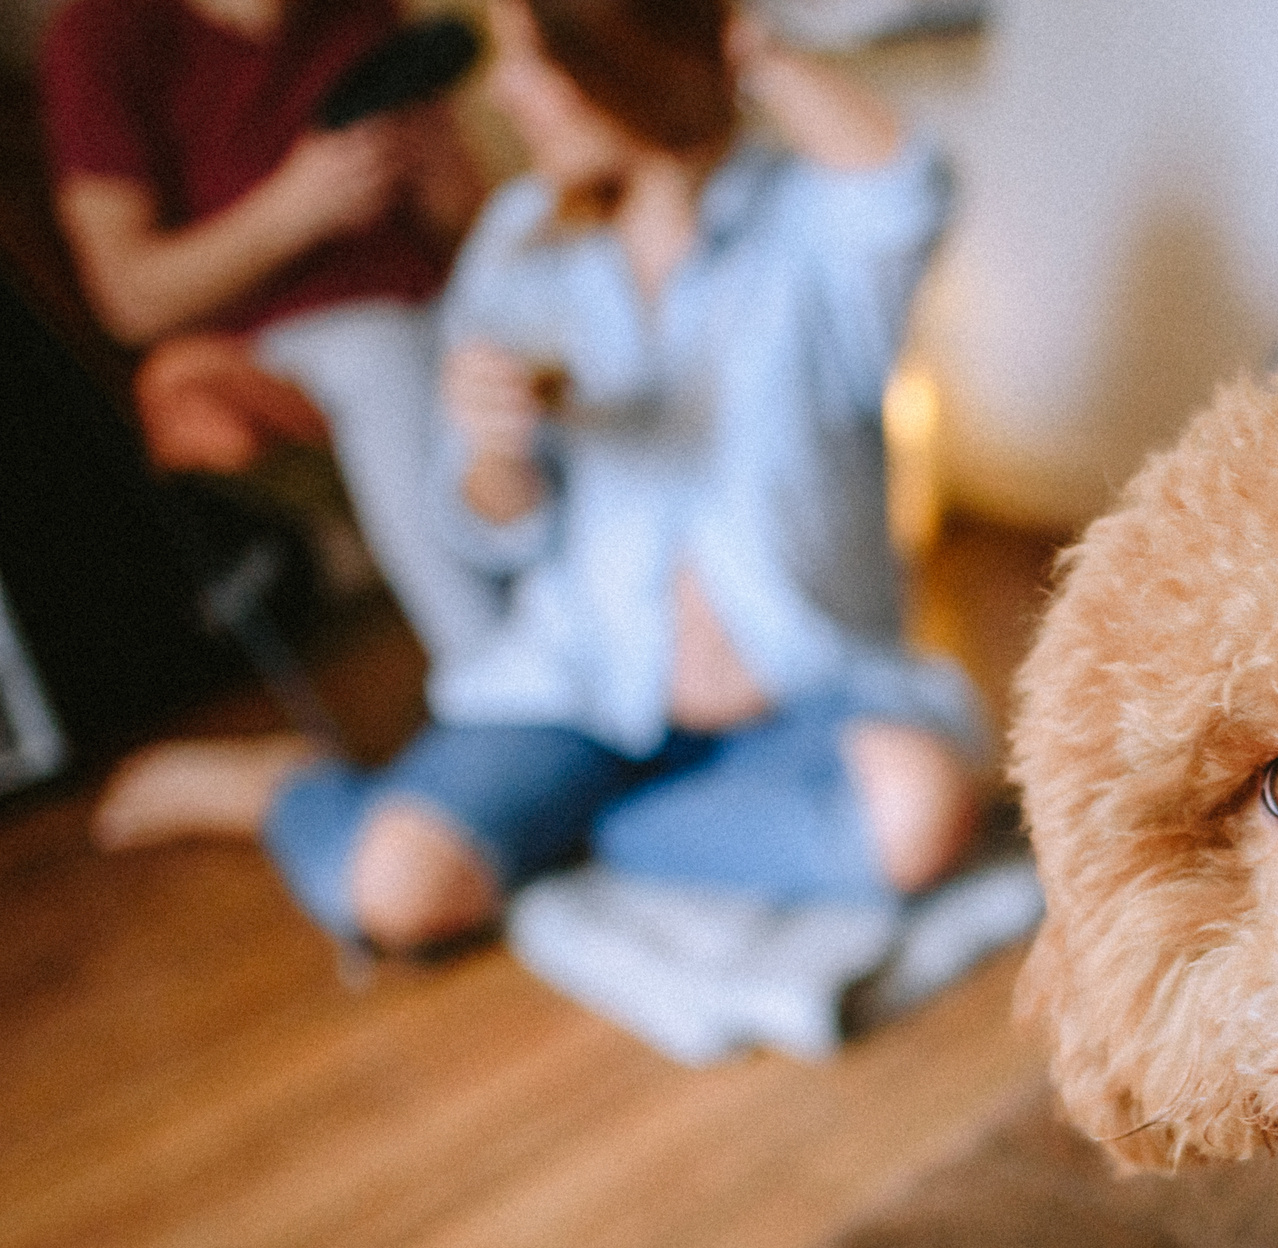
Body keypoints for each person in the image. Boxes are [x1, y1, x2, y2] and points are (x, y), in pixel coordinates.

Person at [97, 0, 983, 958]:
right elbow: (487, 525)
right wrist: (496, 453)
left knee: (917, 813)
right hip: (578, 699)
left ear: (620, 56)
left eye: (532, 64)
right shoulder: (523, 244)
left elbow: (908, 184)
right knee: (397, 889)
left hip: (802, 699)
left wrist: (740, 39)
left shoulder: (805, 221)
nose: (505, 95)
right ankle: (288, 786)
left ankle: (588, 835)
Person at [40, 0, 497, 664]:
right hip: (285, 336)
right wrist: (295, 209)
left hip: (439, 299)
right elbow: (128, 299)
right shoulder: (102, 35)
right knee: (384, 355)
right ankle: (487, 665)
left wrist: (434, 168)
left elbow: (469, 224)